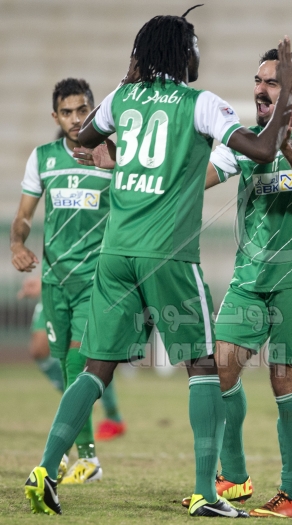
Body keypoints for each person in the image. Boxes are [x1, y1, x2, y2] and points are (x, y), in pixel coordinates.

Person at [22, 6, 292, 518]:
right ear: (181, 53)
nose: (198, 55)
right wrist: (285, 92)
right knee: (203, 366)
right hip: (168, 254)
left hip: (115, 253)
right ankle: (206, 493)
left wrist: (118, 127)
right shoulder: (201, 103)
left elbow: (83, 138)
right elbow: (263, 150)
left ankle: (44, 468)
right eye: (194, 47)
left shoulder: (122, 97)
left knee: (96, 367)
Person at [189, 47, 292, 518]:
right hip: (250, 276)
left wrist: (285, 143)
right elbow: (201, 178)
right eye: (257, 81)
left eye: (272, 83)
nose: (260, 90)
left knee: (285, 379)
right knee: (219, 368)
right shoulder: (245, 140)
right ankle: (235, 476)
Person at [11, 78, 127, 487]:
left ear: (94, 110)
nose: (76, 119)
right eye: (67, 112)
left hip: (96, 281)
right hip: (55, 281)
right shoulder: (43, 158)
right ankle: (81, 456)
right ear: (55, 116)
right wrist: (17, 243)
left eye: (82, 110)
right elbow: (25, 215)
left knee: (78, 365)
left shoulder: (114, 157)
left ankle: (80, 457)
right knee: (64, 366)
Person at [17, 277, 126, 441]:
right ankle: (78, 396)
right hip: (54, 286)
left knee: (91, 349)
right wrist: (43, 279)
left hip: (86, 283)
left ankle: (113, 417)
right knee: (39, 349)